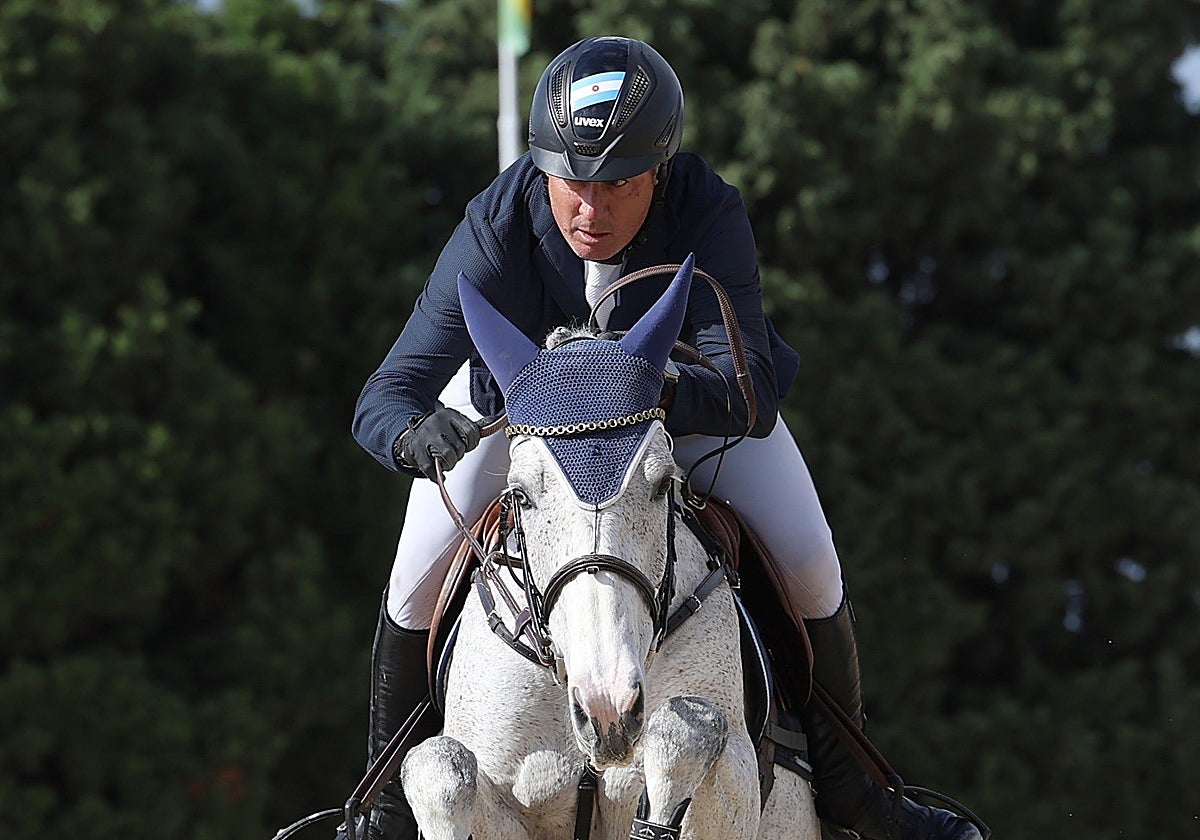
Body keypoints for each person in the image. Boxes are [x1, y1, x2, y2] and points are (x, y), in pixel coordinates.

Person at [345, 36, 981, 840]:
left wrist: (649, 390)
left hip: (680, 423)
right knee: (410, 586)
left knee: (813, 560)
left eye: (617, 184)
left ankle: (860, 797)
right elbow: (386, 391)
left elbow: (745, 388)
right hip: (522, 436)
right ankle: (386, 815)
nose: (589, 209)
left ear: (661, 168)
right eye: (571, 181)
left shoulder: (707, 211)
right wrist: (413, 437)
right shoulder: (497, 226)